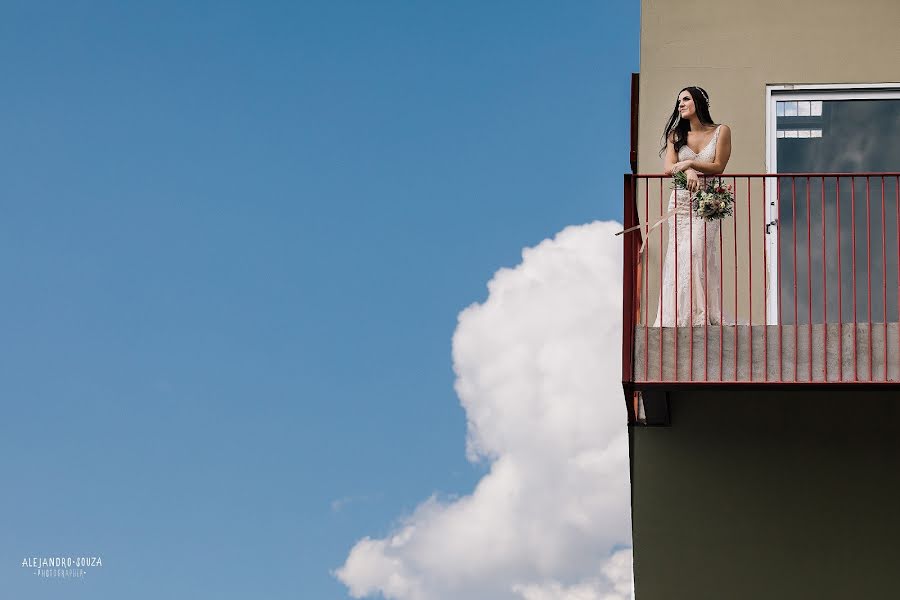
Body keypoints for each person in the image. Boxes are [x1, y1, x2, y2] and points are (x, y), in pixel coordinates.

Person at [653, 86, 732, 327]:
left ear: (699, 102)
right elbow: (669, 168)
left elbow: (719, 166)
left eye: (686, 99)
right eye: (678, 101)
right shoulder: (676, 135)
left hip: (707, 202)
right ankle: (677, 316)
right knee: (678, 255)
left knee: (698, 252)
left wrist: (689, 161)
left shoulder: (721, 131)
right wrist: (688, 169)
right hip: (681, 202)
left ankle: (700, 315)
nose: (680, 104)